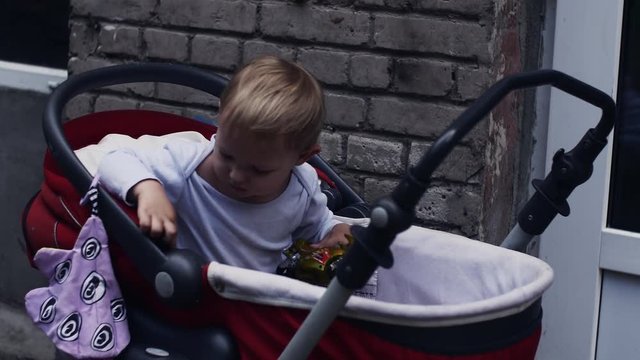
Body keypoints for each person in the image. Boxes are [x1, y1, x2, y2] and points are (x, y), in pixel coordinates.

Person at [97, 56, 351, 273]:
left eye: (258, 170)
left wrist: (336, 230)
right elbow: (113, 159)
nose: (237, 175)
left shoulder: (302, 186)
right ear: (220, 117)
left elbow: (318, 225)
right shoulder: (188, 164)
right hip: (193, 301)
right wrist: (148, 189)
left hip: (259, 305)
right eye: (227, 155)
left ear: (302, 157)